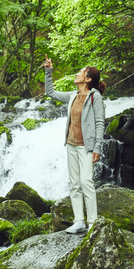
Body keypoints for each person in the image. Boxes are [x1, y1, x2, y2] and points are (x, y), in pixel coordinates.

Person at [44, 55, 106, 234]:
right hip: (71, 145)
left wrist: (97, 148)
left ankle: (93, 222)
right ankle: (79, 220)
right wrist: (49, 71)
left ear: (88, 79)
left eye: (81, 72)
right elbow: (51, 93)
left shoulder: (95, 97)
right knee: (74, 184)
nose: (77, 74)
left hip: (86, 146)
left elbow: (100, 123)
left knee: (86, 181)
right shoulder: (73, 96)